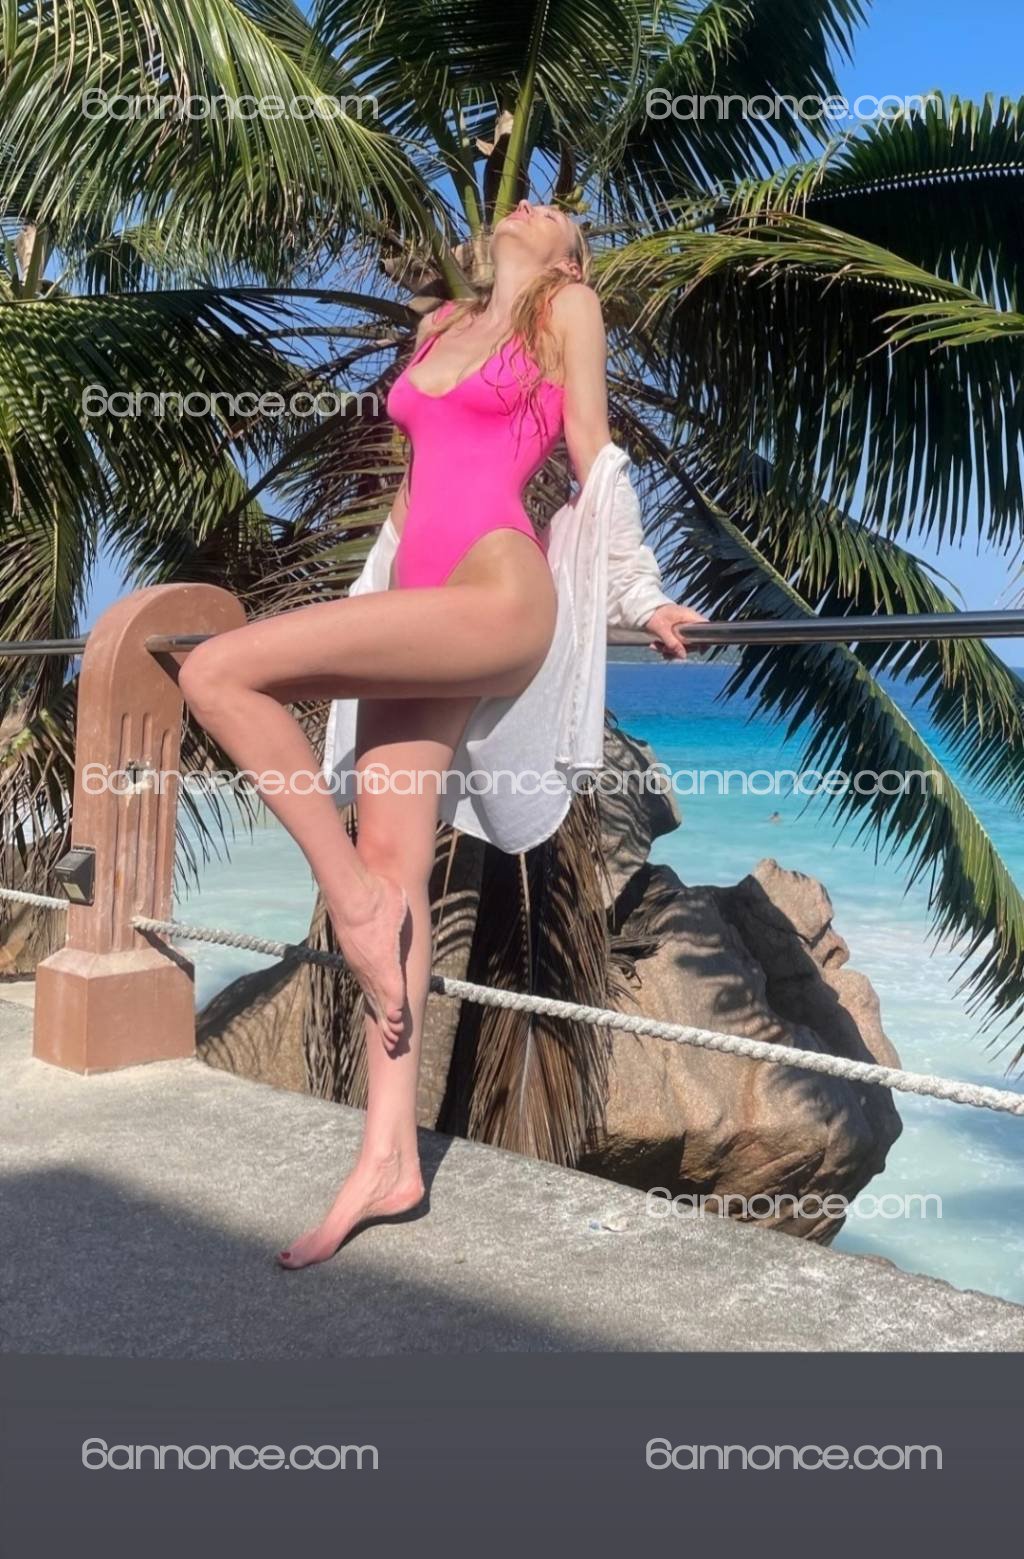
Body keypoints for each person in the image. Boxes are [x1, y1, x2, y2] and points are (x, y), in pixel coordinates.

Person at [178, 200, 707, 1269]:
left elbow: (595, 455)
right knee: (392, 861)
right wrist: (373, 599)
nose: (532, 203)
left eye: (555, 213)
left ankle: (349, 903)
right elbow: (412, 495)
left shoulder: (566, 308)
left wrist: (640, 592)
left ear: (568, 255)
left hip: (497, 591)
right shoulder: (438, 329)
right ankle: (387, 1157)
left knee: (215, 669)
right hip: (418, 592)